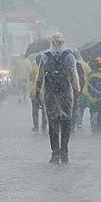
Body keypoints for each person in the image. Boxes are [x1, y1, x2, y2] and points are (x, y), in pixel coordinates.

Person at [34, 32, 79, 163]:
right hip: (65, 93)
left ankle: (55, 153)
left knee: (53, 124)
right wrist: (76, 95)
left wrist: (37, 95)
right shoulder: (69, 56)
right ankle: (64, 152)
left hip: (50, 93)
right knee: (66, 123)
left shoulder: (45, 56)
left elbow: (39, 77)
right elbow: (74, 77)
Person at [80, 56, 101, 134]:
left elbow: (87, 87)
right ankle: (100, 133)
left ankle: (94, 132)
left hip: (93, 99)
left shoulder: (91, 73)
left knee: (94, 115)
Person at [29, 54, 47, 132]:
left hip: (34, 92)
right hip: (43, 92)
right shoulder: (46, 70)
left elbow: (30, 78)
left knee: (35, 110)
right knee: (44, 110)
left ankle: (36, 126)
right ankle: (44, 126)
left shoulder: (33, 70)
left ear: (36, 61)